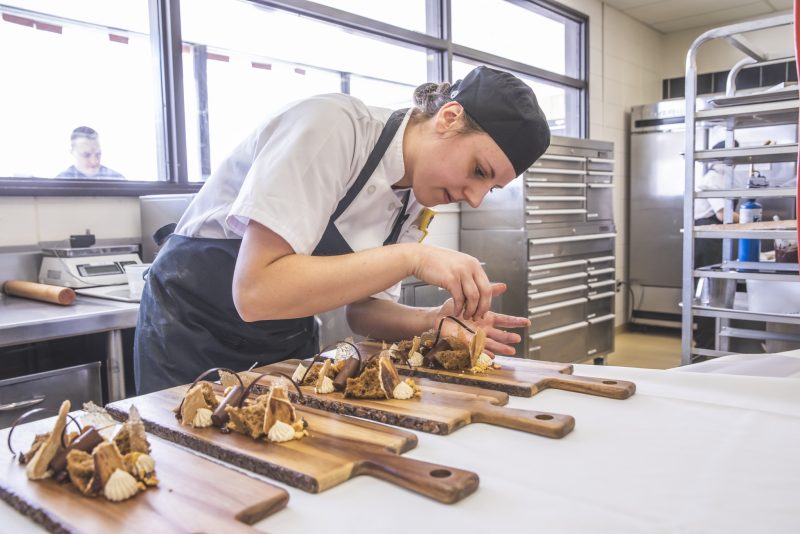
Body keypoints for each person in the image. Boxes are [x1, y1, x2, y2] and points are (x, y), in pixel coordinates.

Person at [134, 65, 551, 394]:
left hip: (282, 337)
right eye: (478, 171)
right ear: (449, 117)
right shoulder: (333, 127)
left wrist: (435, 320)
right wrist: (413, 258)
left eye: (490, 188)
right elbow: (256, 292)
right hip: (191, 328)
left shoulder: (413, 199)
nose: (475, 198)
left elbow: (362, 311)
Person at [693, 139, 738, 350]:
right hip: (708, 238)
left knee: (715, 292)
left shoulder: (722, 178)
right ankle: (704, 347)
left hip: (713, 237)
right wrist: (750, 217)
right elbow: (722, 215)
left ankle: (713, 344)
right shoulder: (713, 179)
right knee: (710, 294)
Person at [56, 126, 125, 179]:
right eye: (86, 155)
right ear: (72, 152)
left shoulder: (117, 179)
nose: (94, 161)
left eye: (98, 154)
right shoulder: (60, 182)